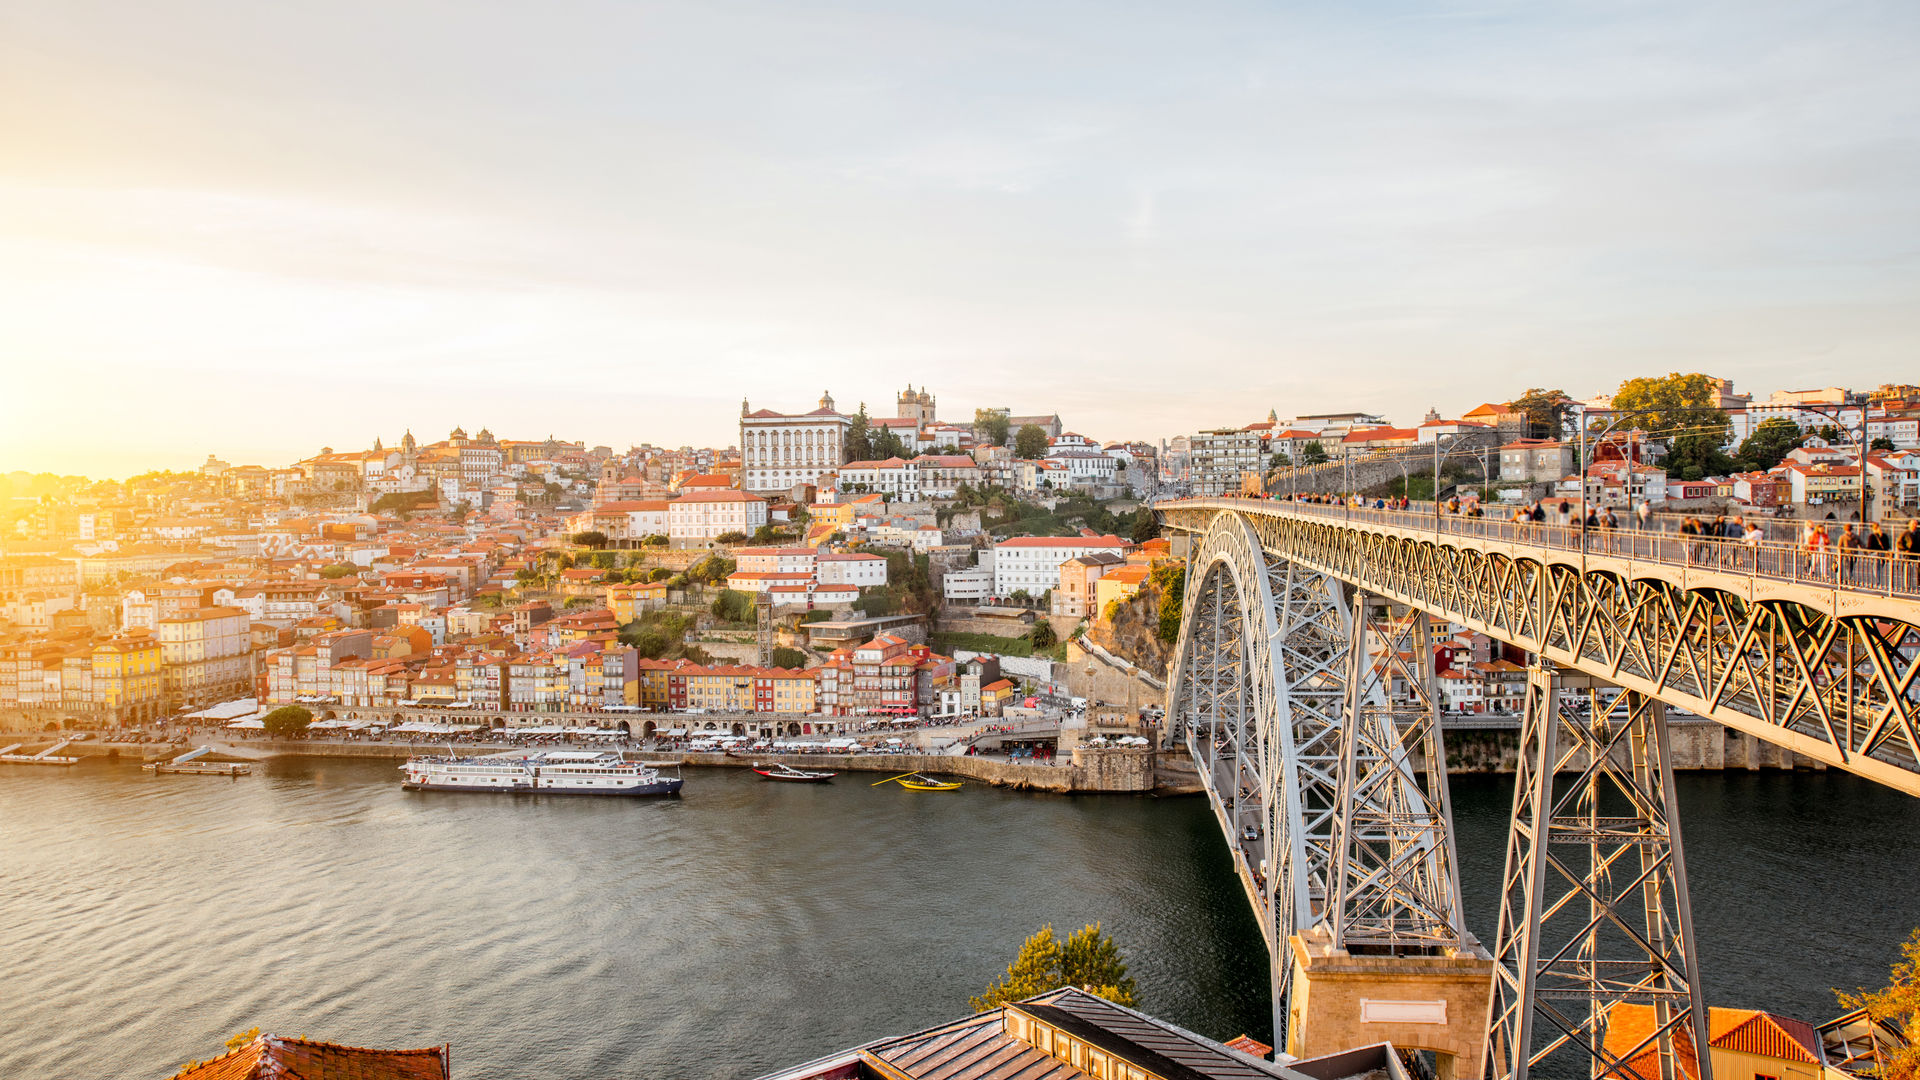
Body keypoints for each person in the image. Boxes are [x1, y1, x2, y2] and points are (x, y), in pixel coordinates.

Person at [1897, 520, 1920, 592]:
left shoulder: (1918, 533)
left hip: (1917, 554)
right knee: (1908, 570)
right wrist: (1905, 550)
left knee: (1918, 570)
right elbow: (1899, 543)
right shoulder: (1905, 533)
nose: (1914, 525)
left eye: (1915, 524)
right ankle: (1907, 585)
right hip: (1908, 555)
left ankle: (1918, 584)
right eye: (1913, 524)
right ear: (1909, 525)